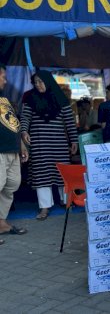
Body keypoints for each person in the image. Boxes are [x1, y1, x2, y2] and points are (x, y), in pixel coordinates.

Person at [20, 70, 78, 221]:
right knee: (41, 175)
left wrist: (74, 140)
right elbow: (25, 117)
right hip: (40, 143)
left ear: (48, 81)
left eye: (41, 81)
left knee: (62, 172)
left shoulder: (60, 97)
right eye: (35, 82)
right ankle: (44, 207)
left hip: (58, 143)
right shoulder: (31, 98)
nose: (38, 85)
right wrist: (24, 131)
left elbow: (69, 121)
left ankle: (66, 202)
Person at [0, 63, 28, 244]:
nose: (5, 79)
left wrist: (22, 146)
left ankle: (1, 223)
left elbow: (13, 124)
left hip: (12, 150)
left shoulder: (4, 100)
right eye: (2, 76)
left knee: (11, 186)